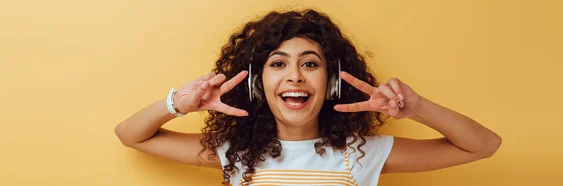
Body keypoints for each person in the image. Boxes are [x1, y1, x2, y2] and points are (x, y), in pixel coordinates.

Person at [115, 9, 502, 186]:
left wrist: (416, 108)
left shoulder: (361, 153)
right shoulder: (235, 154)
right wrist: (178, 104)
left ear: (332, 82)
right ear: (256, 84)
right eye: (278, 64)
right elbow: (131, 134)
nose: (295, 76)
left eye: (310, 64)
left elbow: (484, 145)